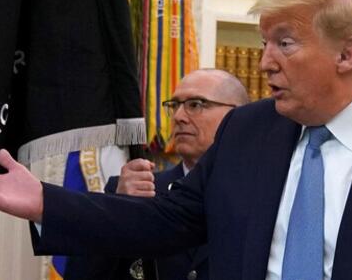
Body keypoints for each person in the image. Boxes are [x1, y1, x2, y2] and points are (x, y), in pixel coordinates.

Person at [0, 0, 352, 279]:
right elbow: (164, 220)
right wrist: (46, 202)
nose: (265, 62)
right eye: (263, 44)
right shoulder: (247, 131)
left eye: (284, 43)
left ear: (346, 55)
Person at [66, 69, 250, 280]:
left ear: (238, 116)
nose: (179, 117)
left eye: (195, 105)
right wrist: (117, 208)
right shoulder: (136, 191)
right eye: (174, 105)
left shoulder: (263, 194)